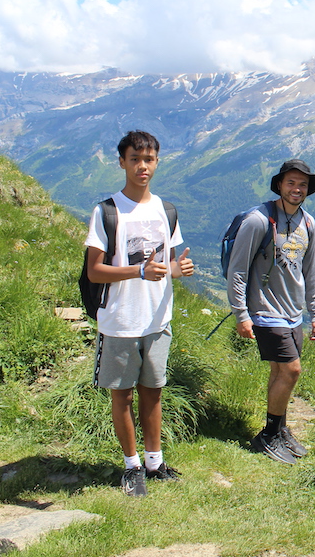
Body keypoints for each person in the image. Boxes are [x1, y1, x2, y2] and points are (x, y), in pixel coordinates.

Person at [85, 130, 194, 497]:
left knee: (154, 392)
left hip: (157, 319)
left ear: (157, 162)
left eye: (148, 159)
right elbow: (95, 271)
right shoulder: (107, 212)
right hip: (120, 320)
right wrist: (139, 271)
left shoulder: (166, 211)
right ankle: (131, 467)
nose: (142, 167)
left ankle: (154, 461)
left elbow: (169, 265)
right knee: (123, 396)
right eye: (135, 159)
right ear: (122, 162)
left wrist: (180, 269)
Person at [227, 159, 315, 464]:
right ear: (280, 185)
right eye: (291, 183)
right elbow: (238, 270)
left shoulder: (308, 223)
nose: (297, 189)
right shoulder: (258, 221)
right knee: (292, 370)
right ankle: (269, 435)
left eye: (303, 185)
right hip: (265, 311)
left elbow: (311, 272)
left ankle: (279, 428)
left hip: (293, 312)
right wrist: (241, 314)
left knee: (280, 371)